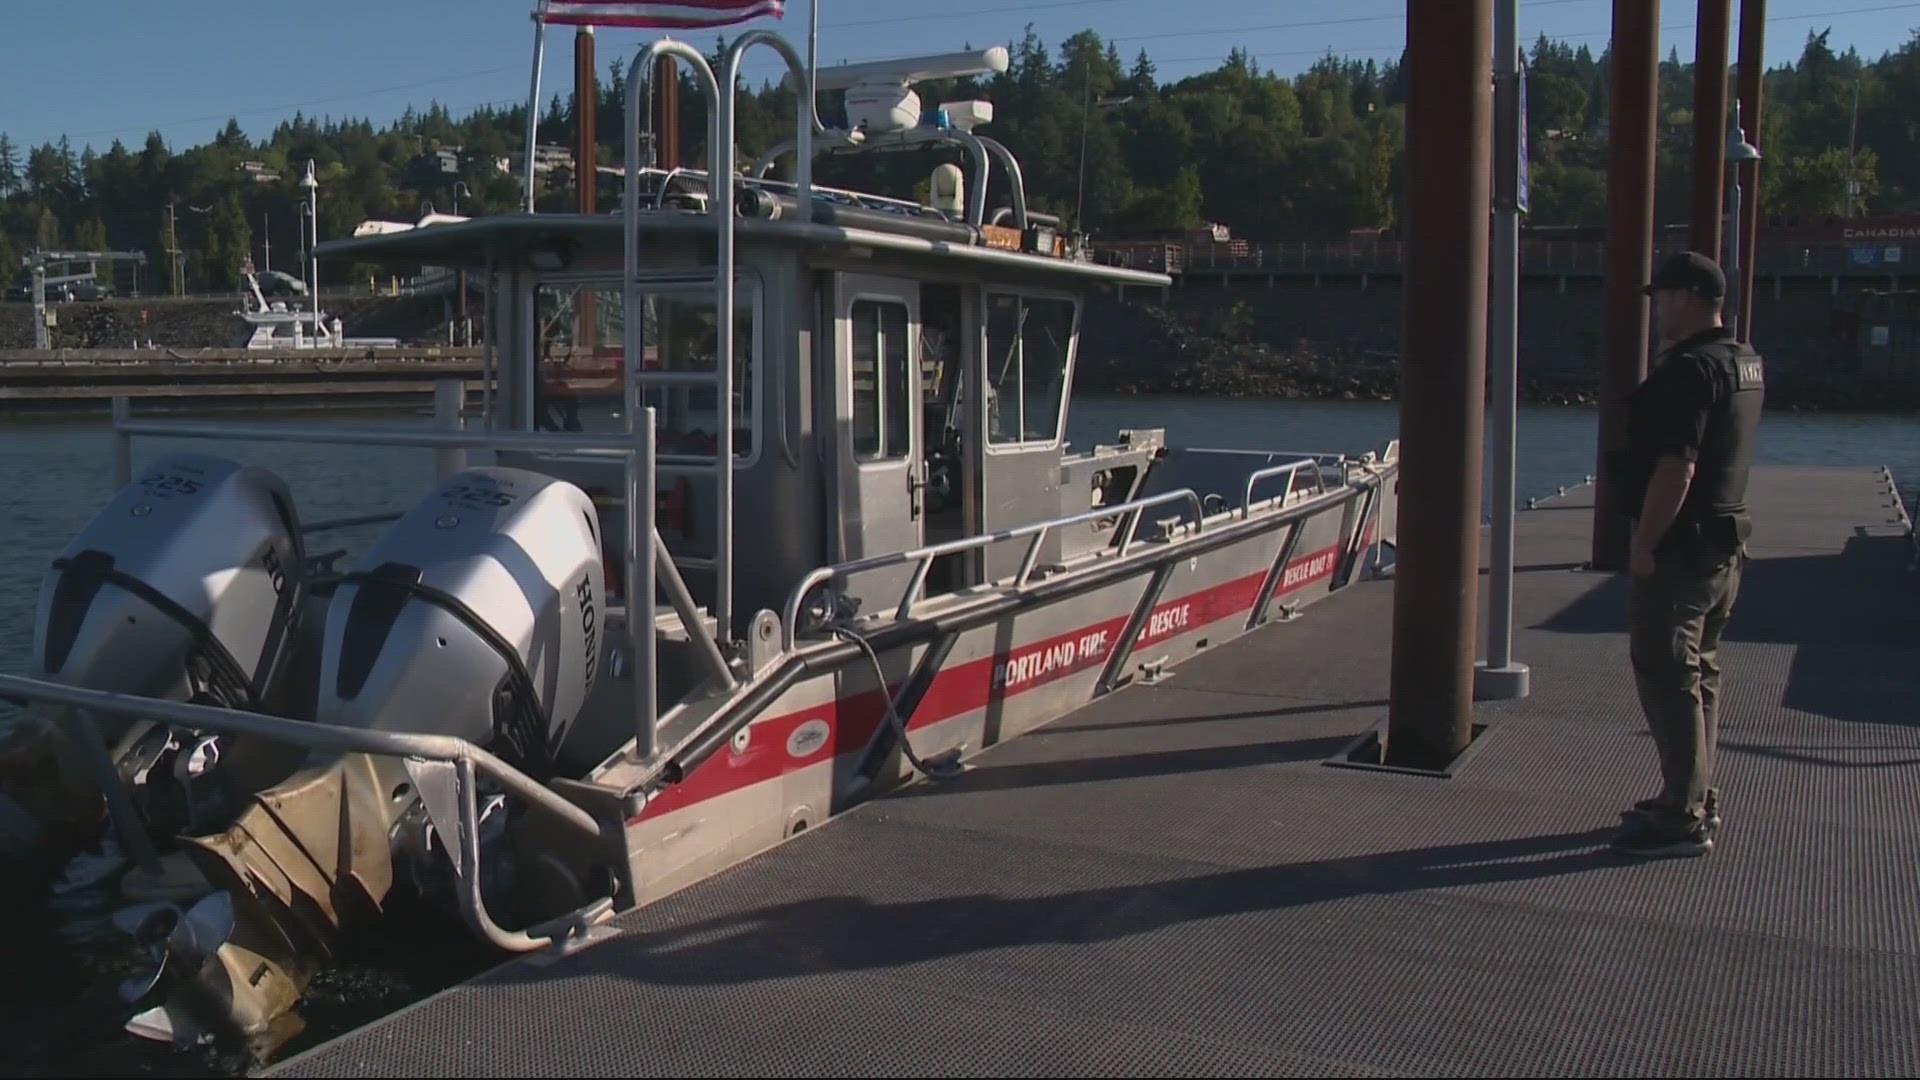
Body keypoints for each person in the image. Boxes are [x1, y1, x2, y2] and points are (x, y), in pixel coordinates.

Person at [1611, 251, 1765, 859]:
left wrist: (1645, 544)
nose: (1656, 308)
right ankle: (1696, 793)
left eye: (1663, 296)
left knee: (1666, 674)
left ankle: (1682, 816)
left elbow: (1677, 465)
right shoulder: (1744, 363)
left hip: (1681, 551)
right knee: (1699, 674)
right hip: (1724, 547)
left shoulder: (1687, 372)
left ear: (1688, 298)